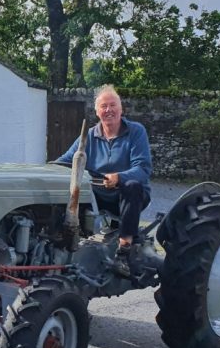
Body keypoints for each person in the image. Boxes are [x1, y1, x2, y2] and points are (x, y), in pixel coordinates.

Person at [55, 85, 152, 277]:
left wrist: (119, 177)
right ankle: (64, 245)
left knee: (132, 185)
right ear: (97, 112)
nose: (109, 110)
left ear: (121, 108)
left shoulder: (135, 131)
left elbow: (143, 169)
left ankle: (124, 251)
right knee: (66, 190)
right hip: (98, 194)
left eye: (112, 105)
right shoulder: (89, 136)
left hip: (129, 194)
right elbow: (67, 161)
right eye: (104, 106)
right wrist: (46, 169)